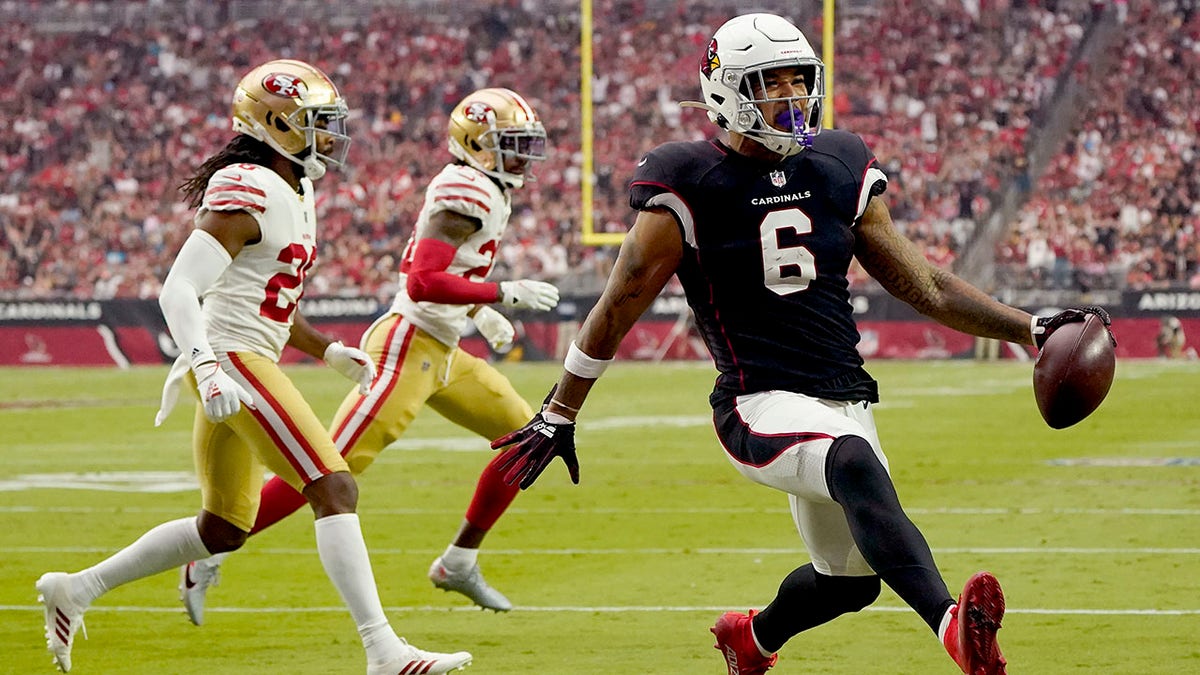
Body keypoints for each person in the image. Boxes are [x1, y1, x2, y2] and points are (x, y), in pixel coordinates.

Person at [490, 14, 1114, 675]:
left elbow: (925, 283)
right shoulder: (687, 181)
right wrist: (561, 409)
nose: (790, 98)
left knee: (851, 580)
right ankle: (955, 631)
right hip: (757, 402)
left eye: (799, 81)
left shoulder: (837, 165)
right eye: (770, 84)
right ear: (725, 90)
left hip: (844, 398)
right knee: (850, 464)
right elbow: (618, 305)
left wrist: (1028, 326)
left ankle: (750, 640)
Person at [35, 59, 471, 675]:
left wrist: (326, 350)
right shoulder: (249, 184)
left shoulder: (295, 186)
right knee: (333, 486)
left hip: (241, 353)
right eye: (317, 123)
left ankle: (75, 588)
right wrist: (208, 367)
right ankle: (384, 651)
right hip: (230, 359)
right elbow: (178, 291)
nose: (331, 135)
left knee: (223, 528)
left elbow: (264, 295)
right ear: (277, 125)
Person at [178, 87, 558, 620]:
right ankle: (209, 551)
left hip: (445, 350)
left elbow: (450, 270)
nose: (524, 156)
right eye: (512, 144)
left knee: (528, 441)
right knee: (328, 472)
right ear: (476, 145)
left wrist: (476, 312)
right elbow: (423, 281)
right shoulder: (465, 189)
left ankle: (459, 561)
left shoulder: (487, 188)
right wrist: (500, 294)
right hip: (407, 346)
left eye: (526, 144)